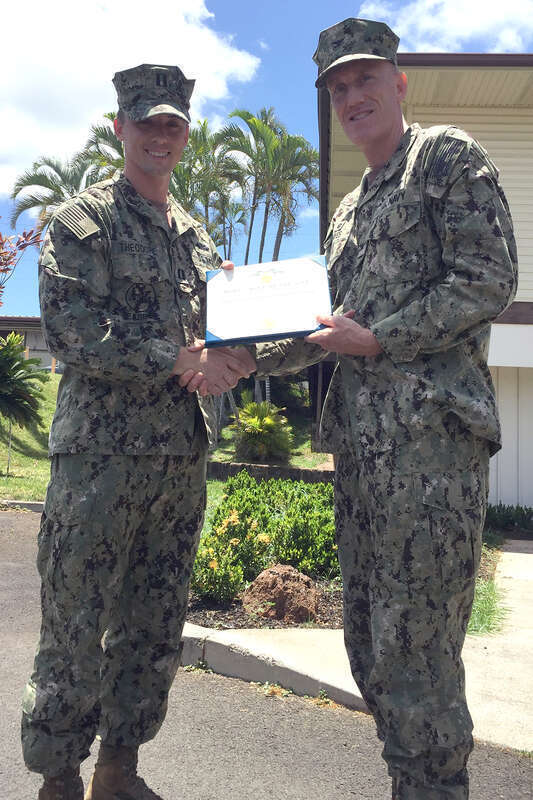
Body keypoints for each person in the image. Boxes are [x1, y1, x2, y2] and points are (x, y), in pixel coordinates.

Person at [183, 18, 518, 800]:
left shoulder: (443, 158)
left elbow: (488, 277)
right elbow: (317, 329)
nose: (350, 96)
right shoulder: (348, 210)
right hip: (362, 459)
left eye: (363, 78)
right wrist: (237, 342)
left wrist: (382, 339)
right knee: (369, 645)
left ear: (397, 83)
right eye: (336, 87)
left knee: (416, 652)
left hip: (429, 451)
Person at [22, 63, 255, 800]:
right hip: (99, 461)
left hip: (177, 463)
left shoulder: (198, 239)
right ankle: (59, 776)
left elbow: (231, 335)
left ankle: (117, 767)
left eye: (173, 123)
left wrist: (253, 350)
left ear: (184, 135)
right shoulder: (79, 222)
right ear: (118, 127)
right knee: (74, 622)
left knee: (153, 627)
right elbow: (72, 330)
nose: (160, 134)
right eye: (146, 121)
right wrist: (177, 357)